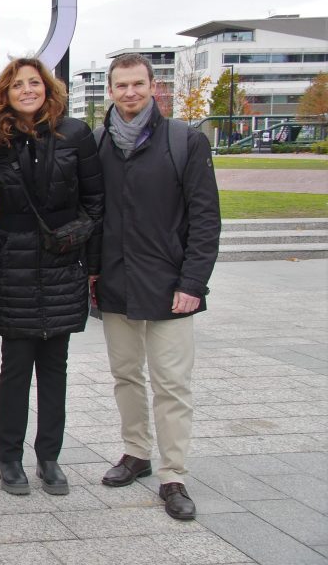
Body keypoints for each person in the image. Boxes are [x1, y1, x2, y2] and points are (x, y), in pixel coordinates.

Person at [94, 53, 220, 521]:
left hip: (171, 286)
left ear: (153, 87)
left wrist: (194, 282)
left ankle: (174, 475)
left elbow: (206, 218)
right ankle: (135, 453)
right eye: (121, 85)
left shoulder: (184, 141)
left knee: (171, 383)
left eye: (137, 84)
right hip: (116, 283)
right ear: (110, 89)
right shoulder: (99, 141)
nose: (129, 93)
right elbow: (95, 214)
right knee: (125, 375)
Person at [0, 57, 103, 497]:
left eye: (34, 82)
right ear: (6, 93)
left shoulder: (76, 135)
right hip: (13, 265)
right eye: (17, 84)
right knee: (15, 368)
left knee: (55, 369)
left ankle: (49, 456)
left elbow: (96, 200)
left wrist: (75, 236)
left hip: (61, 260)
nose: (27, 90)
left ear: (47, 88)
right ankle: (9, 458)